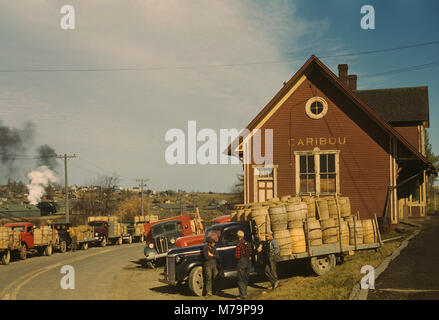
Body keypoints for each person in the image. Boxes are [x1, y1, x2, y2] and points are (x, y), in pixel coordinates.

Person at [234, 230, 252, 299]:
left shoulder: (239, 244)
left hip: (241, 262)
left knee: (240, 279)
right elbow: (250, 252)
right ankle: (245, 293)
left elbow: (237, 256)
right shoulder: (248, 243)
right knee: (245, 278)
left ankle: (242, 295)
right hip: (248, 262)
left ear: (238, 236)